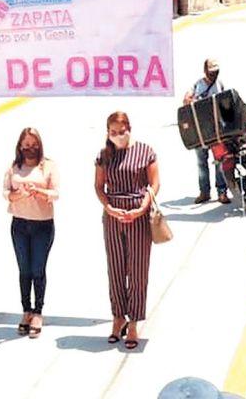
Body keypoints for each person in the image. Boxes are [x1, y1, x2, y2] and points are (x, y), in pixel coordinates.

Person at [94, 111, 159, 350]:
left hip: (138, 214)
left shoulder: (145, 151)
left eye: (121, 132)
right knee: (116, 268)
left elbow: (154, 183)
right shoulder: (104, 155)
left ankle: (133, 321)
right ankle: (118, 316)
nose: (118, 136)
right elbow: (99, 186)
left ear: (129, 129)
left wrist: (142, 207)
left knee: (138, 269)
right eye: (113, 132)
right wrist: (108, 207)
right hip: (114, 215)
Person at [3, 128, 59, 339]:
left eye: (34, 145)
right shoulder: (14, 167)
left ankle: (38, 312)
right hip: (19, 224)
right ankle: (26, 310)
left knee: (38, 269)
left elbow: (56, 193)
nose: (30, 149)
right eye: (26, 145)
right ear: (20, 146)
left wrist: (40, 192)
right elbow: (5, 192)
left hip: (42, 225)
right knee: (24, 269)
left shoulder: (49, 166)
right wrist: (18, 194)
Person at [183, 58, 229, 204]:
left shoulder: (220, 84)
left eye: (216, 71)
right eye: (211, 72)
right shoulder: (197, 85)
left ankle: (222, 192)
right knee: (201, 162)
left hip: (216, 130)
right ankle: (204, 192)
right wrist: (190, 99)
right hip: (200, 131)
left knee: (219, 162)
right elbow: (186, 100)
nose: (214, 75)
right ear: (205, 71)